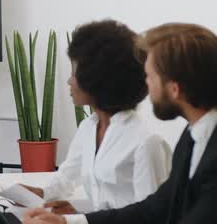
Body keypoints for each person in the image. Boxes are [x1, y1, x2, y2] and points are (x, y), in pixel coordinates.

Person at [22, 23, 217, 224]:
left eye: (150, 76)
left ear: (174, 89)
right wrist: (67, 222)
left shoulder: (156, 142)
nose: (146, 84)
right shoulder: (192, 138)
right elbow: (153, 209)